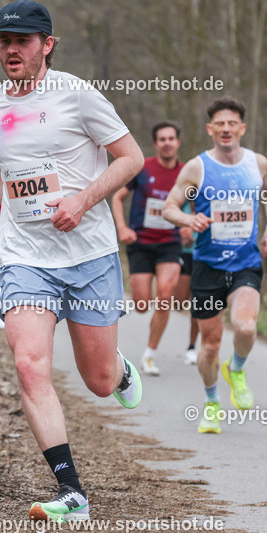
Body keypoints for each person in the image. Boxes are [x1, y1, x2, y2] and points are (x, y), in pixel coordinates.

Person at [0, 0, 145, 523]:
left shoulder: (79, 96)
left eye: (21, 41)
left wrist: (83, 200)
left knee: (99, 381)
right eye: (3, 41)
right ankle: (71, 493)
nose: (10, 50)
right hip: (26, 258)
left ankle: (120, 368)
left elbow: (130, 157)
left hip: (89, 255)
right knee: (28, 364)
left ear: (47, 44)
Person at [161, 97, 267, 434]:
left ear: (242, 128)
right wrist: (188, 217)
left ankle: (238, 369)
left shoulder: (258, 164)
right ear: (210, 128)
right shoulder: (197, 168)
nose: (226, 129)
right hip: (207, 266)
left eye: (232, 124)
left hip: (245, 263)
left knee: (245, 327)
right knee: (210, 345)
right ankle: (212, 403)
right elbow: (169, 206)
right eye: (219, 123)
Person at [110, 122, 184, 377]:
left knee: (165, 295)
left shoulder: (187, 174)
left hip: (170, 244)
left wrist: (189, 226)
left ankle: (150, 354)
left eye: (171, 138)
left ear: (178, 143)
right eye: (161, 139)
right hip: (140, 243)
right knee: (142, 304)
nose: (167, 142)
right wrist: (122, 227)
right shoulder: (143, 168)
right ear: (155, 144)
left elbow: (196, 205)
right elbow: (117, 197)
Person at [174, 201, 200, 365]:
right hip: (183, 254)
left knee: (198, 305)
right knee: (179, 303)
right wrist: (181, 236)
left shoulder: (209, 201)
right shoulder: (180, 201)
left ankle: (192, 347)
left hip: (203, 256)